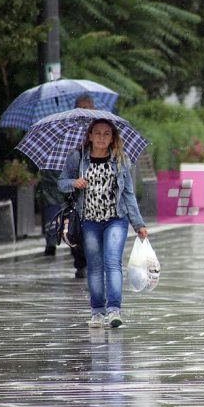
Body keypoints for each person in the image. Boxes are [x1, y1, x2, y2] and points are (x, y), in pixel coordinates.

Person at [59, 119, 148, 328]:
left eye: (106, 134)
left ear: (113, 137)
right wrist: (74, 183)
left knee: (112, 263)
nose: (101, 137)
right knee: (95, 267)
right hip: (89, 221)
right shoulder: (77, 158)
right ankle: (97, 311)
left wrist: (139, 224)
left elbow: (128, 194)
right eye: (97, 133)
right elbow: (61, 183)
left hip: (116, 220)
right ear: (89, 135)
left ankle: (114, 310)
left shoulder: (120, 160)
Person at [39, 94, 95, 278]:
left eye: (88, 108)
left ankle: (93, 262)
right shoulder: (68, 134)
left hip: (96, 195)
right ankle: (81, 263)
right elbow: (62, 176)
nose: (84, 111)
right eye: (81, 108)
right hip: (74, 194)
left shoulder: (102, 132)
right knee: (75, 230)